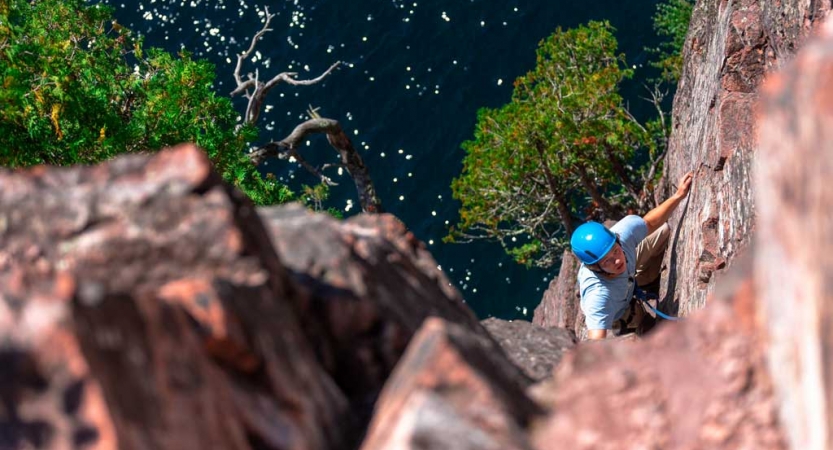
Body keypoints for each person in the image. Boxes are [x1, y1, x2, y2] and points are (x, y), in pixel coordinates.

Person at [570, 172, 694, 340]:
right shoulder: (599, 296)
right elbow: (595, 341)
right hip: (620, 307)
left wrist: (679, 195)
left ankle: (646, 281)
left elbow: (650, 222)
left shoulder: (622, 235)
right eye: (607, 261)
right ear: (596, 268)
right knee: (650, 332)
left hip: (630, 275)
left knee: (662, 230)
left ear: (617, 240)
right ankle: (629, 322)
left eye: (615, 250)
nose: (617, 260)